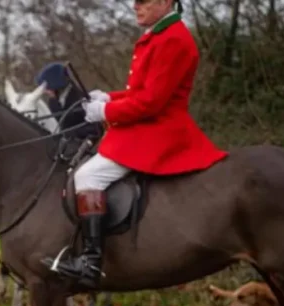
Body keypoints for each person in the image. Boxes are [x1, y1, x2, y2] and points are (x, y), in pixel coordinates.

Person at [43, 0, 227, 288]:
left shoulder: (173, 39)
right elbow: (140, 91)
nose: (135, 6)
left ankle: (91, 262)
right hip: (148, 124)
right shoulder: (159, 34)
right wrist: (109, 98)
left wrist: (105, 112)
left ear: (166, 2)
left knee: (87, 176)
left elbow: (151, 102)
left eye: (144, 1)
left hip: (158, 129)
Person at [35, 62, 102, 139]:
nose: (45, 91)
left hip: (89, 137)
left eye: (47, 88)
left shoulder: (76, 97)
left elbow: (66, 121)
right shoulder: (58, 99)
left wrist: (53, 100)